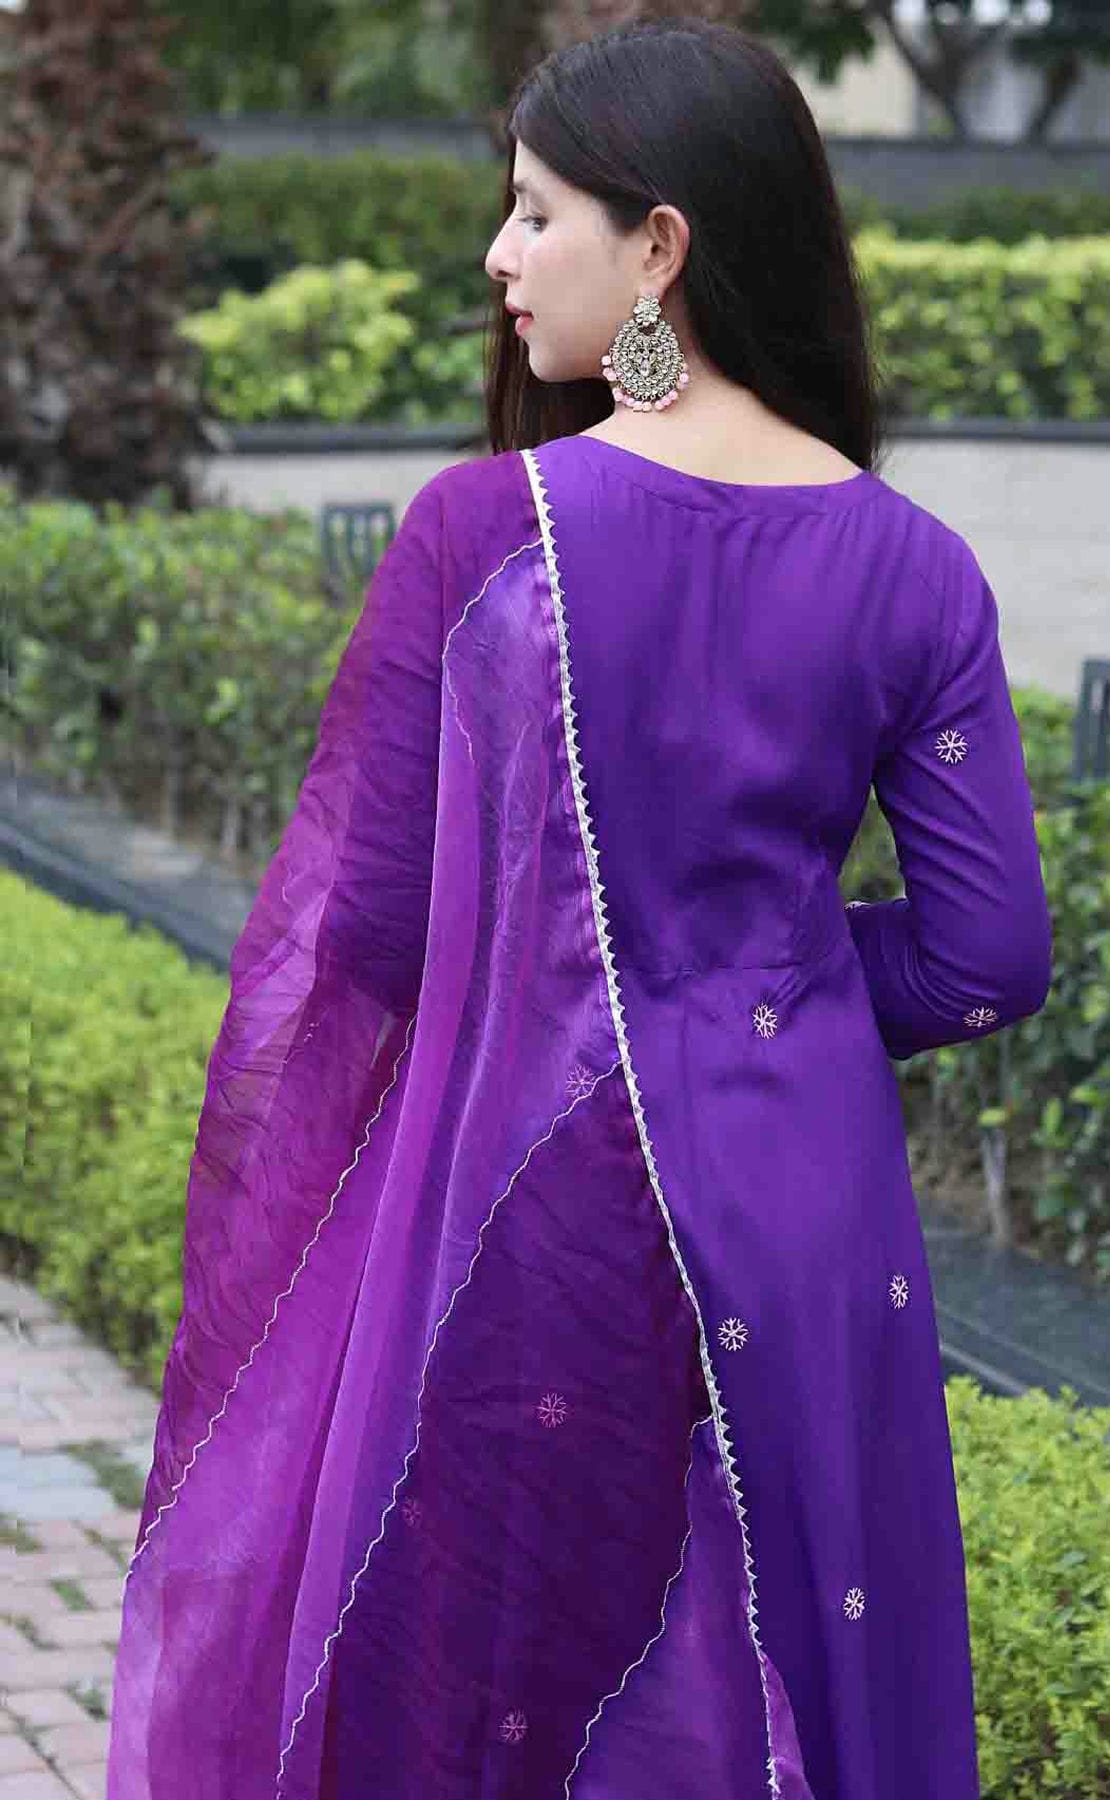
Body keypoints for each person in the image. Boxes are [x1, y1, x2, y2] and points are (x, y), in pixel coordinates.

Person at [106, 19, 1052, 1800]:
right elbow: (989, 956)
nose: (502, 254)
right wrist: (765, 984)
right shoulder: (918, 569)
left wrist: (588, 968)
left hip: (537, 1211)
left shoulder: (484, 537)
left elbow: (372, 935)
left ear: (660, 246)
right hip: (806, 1219)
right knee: (789, 1665)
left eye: (537, 211)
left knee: (505, 1697)